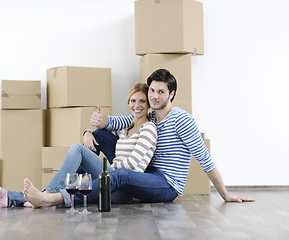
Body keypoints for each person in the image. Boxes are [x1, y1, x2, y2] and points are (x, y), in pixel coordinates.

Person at [89, 69, 255, 203]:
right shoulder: (150, 115)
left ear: (171, 94)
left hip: (166, 185)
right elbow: (116, 122)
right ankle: (78, 182)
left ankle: (69, 195)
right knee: (100, 135)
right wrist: (93, 127)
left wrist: (225, 194)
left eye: (161, 92)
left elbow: (205, 160)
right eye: (152, 91)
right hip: (146, 173)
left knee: (122, 174)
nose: (154, 96)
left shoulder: (182, 120)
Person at [0, 83, 158, 208]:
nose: (137, 106)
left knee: (77, 149)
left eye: (142, 101)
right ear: (128, 103)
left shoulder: (148, 128)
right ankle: (9, 198)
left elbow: (133, 165)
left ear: (148, 105)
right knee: (74, 178)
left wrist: (104, 172)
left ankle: (46, 193)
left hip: (123, 187)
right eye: (133, 101)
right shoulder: (125, 127)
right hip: (110, 180)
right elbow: (102, 135)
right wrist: (87, 133)